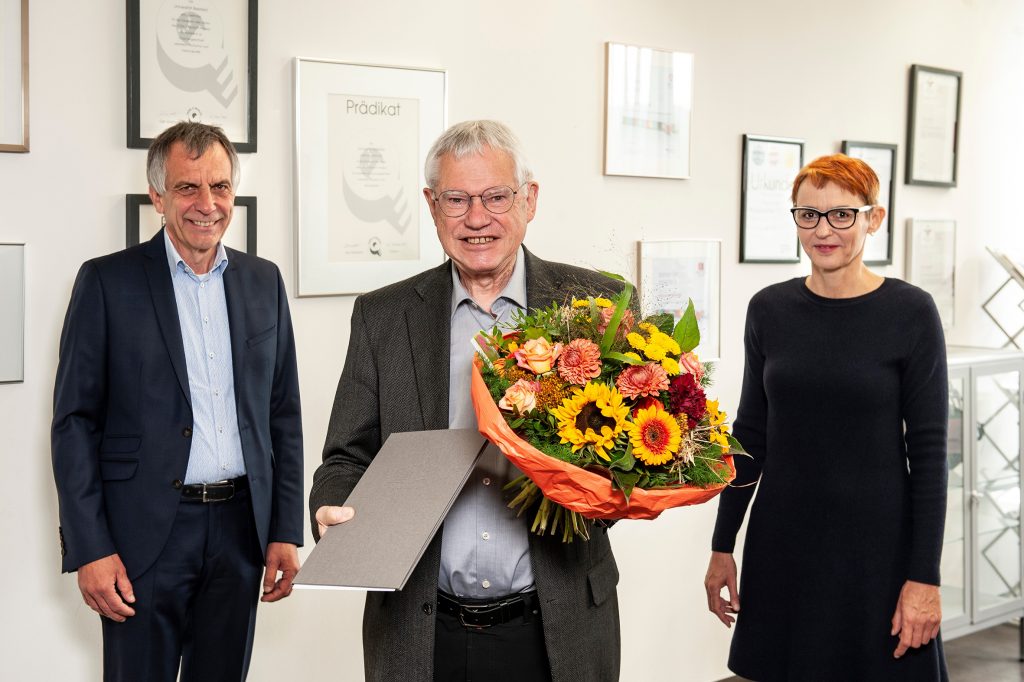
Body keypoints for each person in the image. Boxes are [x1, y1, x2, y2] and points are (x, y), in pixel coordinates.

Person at [310, 120, 622, 682]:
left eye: (495, 196)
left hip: (559, 624)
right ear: (432, 207)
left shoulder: (595, 305)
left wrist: (609, 487)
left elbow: (628, 452)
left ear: (529, 200)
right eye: (456, 200)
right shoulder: (383, 318)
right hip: (422, 631)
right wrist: (331, 508)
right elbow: (344, 459)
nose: (476, 219)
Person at [51, 122, 304, 681]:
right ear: (158, 197)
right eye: (188, 188)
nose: (207, 204)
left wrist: (284, 528)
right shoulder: (106, 283)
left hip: (241, 533)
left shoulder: (264, 282)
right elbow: (74, 424)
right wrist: (90, 548)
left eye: (219, 186)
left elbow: (282, 414)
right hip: (143, 538)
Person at [704, 154, 949, 681]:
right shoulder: (769, 309)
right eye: (808, 215)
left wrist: (924, 578)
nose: (823, 230)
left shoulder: (911, 313)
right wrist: (722, 544)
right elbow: (750, 434)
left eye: (842, 214)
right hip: (783, 544)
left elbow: (929, 455)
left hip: (878, 552)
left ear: (872, 218)